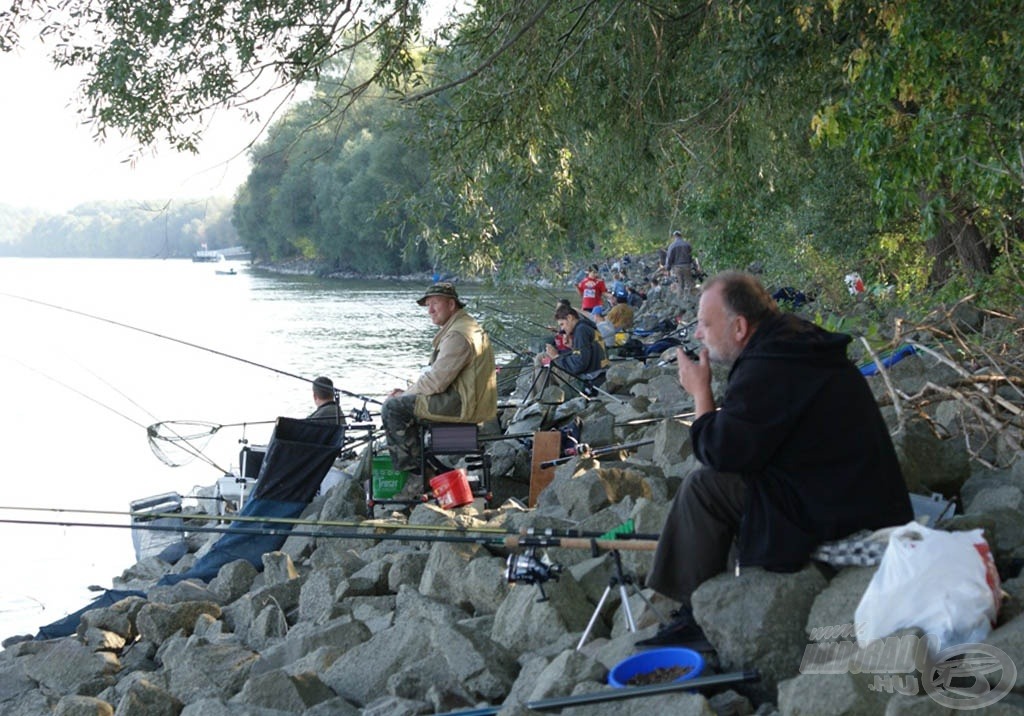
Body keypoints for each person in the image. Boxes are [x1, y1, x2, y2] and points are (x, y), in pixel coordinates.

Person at [639, 270, 912, 646]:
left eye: (704, 323)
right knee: (735, 485)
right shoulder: (790, 340)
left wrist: (701, 393)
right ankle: (707, 597)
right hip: (857, 490)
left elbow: (721, 453)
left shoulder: (769, 363)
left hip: (843, 509)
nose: (698, 334)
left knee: (704, 487)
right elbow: (752, 437)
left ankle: (696, 614)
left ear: (739, 327)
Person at [380, 282, 498, 496]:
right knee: (405, 405)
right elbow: (438, 377)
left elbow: (436, 381)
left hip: (463, 407)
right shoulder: (465, 326)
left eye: (434, 304)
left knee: (393, 408)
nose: (430, 310)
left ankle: (419, 477)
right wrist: (410, 392)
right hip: (469, 402)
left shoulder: (458, 336)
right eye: (427, 305)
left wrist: (405, 395)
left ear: (451, 304)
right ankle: (432, 472)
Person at [543, 304, 610, 386]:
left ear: (570, 318)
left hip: (589, 378)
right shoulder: (587, 326)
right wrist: (572, 347)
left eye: (562, 324)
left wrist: (556, 356)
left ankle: (540, 396)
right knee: (547, 361)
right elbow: (586, 354)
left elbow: (579, 365)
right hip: (600, 372)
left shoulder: (581, 331)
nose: (562, 329)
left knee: (543, 358)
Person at [664, 230, 695, 295]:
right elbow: (693, 256)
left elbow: (669, 258)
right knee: (689, 282)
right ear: (681, 236)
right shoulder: (687, 244)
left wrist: (668, 269)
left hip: (677, 267)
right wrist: (695, 266)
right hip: (687, 265)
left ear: (674, 236)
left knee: (680, 283)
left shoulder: (672, 246)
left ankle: (680, 298)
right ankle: (691, 298)